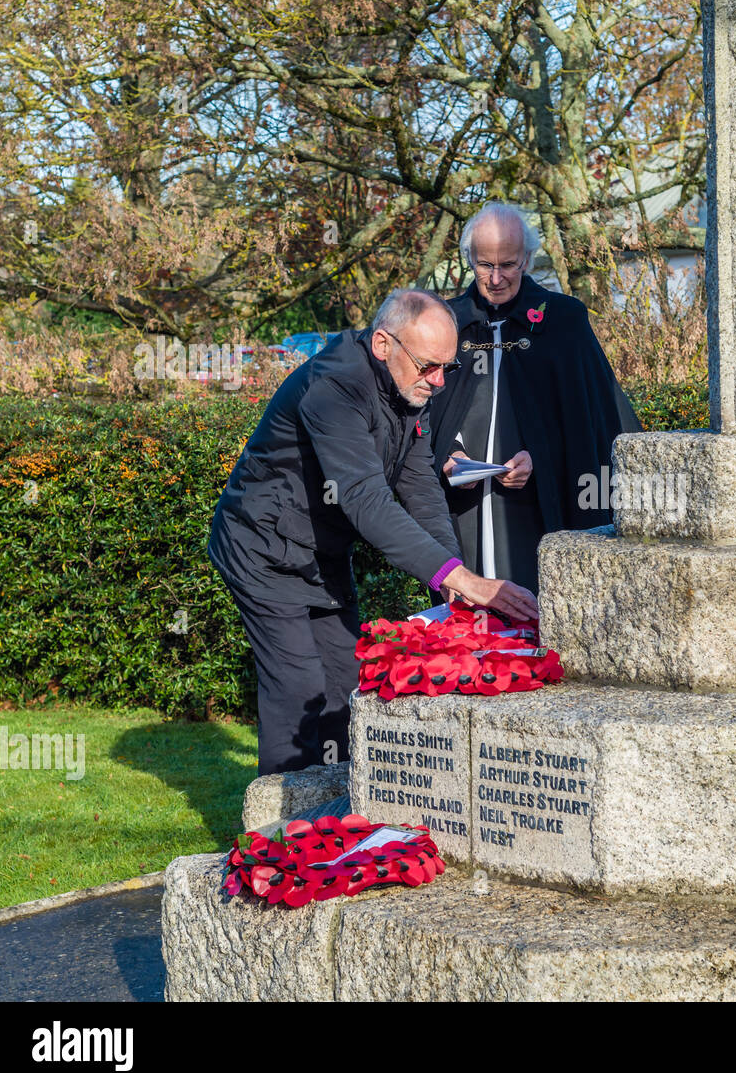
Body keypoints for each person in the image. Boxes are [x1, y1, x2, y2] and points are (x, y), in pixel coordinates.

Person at [208, 288, 538, 776]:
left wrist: (451, 581)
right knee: (298, 688)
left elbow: (420, 485)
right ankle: (281, 831)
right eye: (429, 366)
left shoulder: (408, 386)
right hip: (261, 547)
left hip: (320, 551)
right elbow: (364, 497)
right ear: (384, 344)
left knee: (346, 682)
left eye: (447, 367)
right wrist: (467, 582)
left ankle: (340, 812)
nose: (439, 381)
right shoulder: (335, 387)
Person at [428, 202, 642, 594]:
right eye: (484, 265)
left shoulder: (562, 321)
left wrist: (541, 458)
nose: (495, 278)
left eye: (507, 264)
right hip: (465, 511)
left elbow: (591, 420)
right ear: (468, 260)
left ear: (527, 258)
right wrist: (449, 451)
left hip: (540, 510)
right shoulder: (446, 322)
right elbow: (425, 408)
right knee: (465, 630)